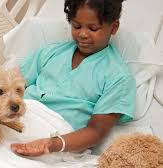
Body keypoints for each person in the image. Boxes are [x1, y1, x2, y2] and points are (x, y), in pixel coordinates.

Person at [10, 0, 136, 156]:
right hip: (19, 118)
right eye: (76, 26)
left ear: (114, 27)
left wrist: (54, 144)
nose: (83, 34)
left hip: (57, 138)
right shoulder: (51, 53)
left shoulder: (118, 77)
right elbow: (11, 86)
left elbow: (96, 131)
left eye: (93, 28)